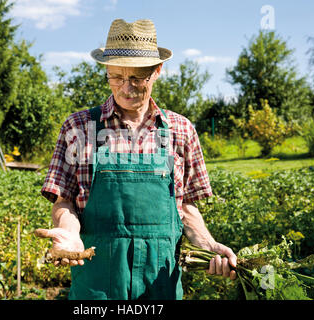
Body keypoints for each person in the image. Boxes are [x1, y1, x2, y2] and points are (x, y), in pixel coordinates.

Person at [38, 18, 237, 300]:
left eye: (136, 78)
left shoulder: (181, 130)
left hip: (160, 286)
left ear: (156, 71)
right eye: (117, 77)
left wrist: (207, 244)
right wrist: (68, 234)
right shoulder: (79, 127)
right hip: (96, 287)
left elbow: (187, 206)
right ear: (107, 71)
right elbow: (64, 200)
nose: (126, 88)